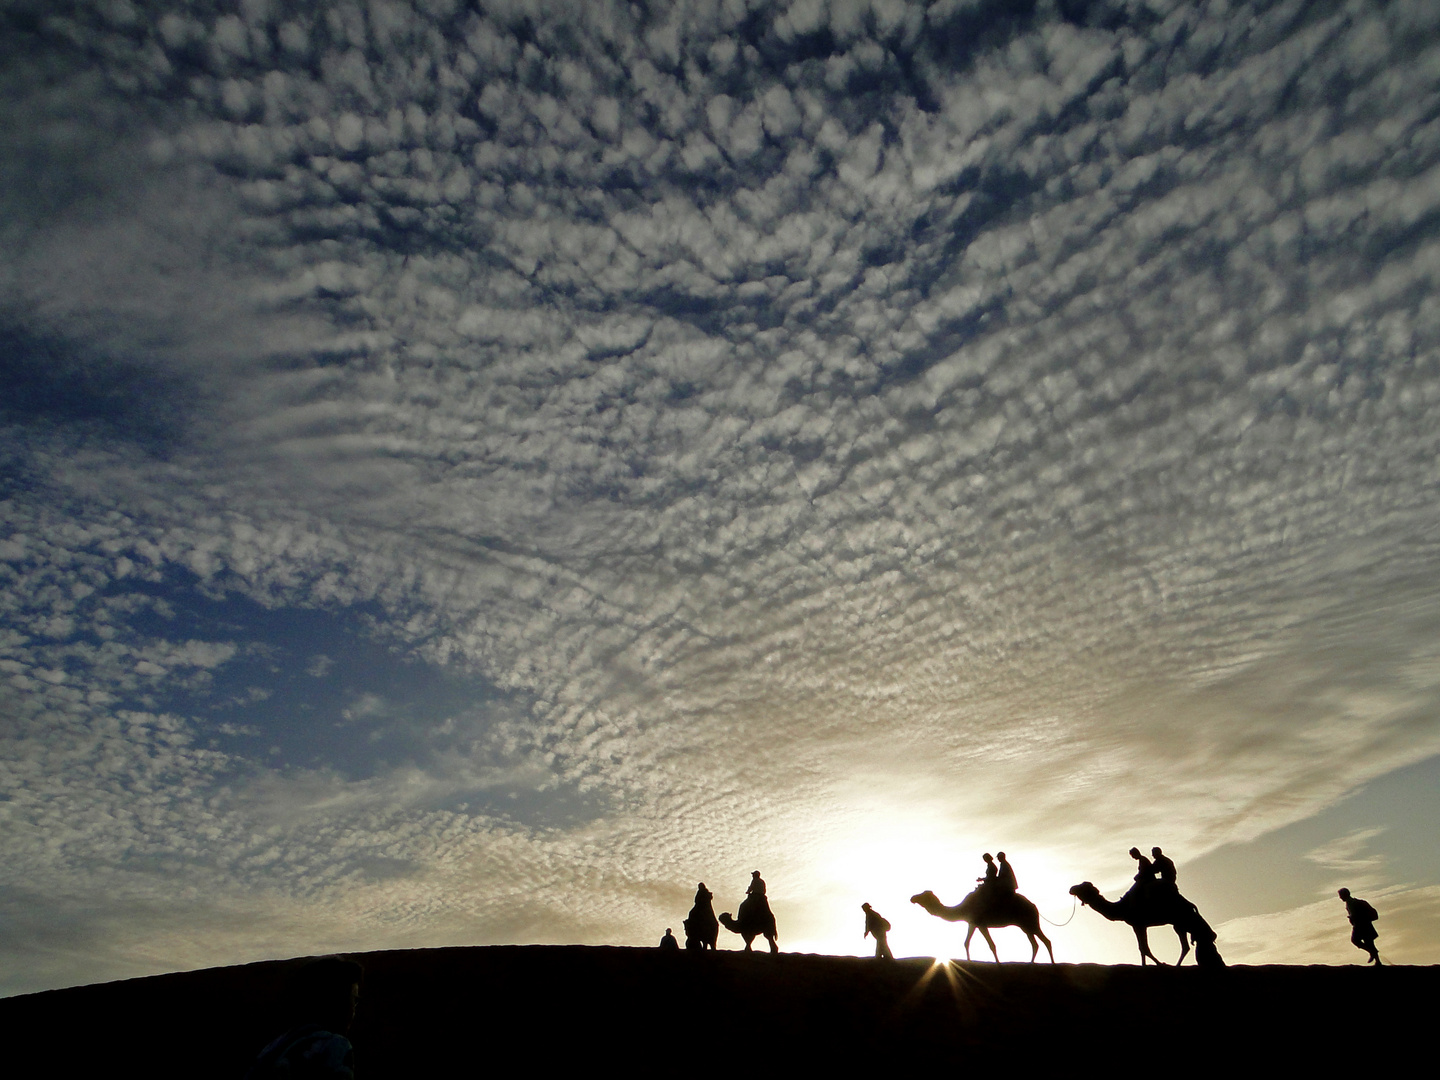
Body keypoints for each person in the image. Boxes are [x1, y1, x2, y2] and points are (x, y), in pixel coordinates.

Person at [246, 956, 362, 1079]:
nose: (354, 1009)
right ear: (338, 1001)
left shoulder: (272, 1048)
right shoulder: (335, 1045)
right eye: (354, 999)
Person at [1338, 888, 1381, 964]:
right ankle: (1377, 960)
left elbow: (1355, 914)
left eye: (1340, 895)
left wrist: (1351, 917)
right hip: (1365, 924)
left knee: (1356, 940)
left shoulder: (1351, 903)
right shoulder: (1351, 902)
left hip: (1360, 925)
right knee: (1369, 943)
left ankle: (1372, 952)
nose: (1340, 897)